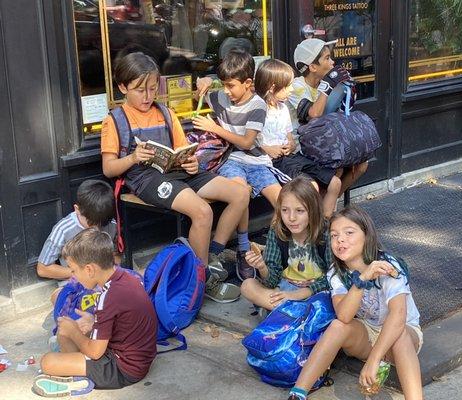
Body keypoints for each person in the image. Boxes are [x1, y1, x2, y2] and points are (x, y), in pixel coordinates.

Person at [101, 52, 246, 303]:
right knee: (202, 212)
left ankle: (212, 254)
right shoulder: (114, 120)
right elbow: (109, 168)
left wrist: (192, 162)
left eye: (152, 88)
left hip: (176, 171)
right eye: (139, 90)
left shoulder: (166, 113)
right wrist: (134, 158)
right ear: (122, 87)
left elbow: (182, 149)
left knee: (240, 192)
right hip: (144, 177)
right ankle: (199, 280)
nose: (148, 96)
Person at [287, 205, 423, 400]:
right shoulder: (336, 272)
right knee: (337, 326)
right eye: (334, 235)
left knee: (400, 335)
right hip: (366, 334)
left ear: (367, 236)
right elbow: (344, 316)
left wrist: (374, 360)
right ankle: (298, 393)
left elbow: (399, 317)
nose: (340, 239)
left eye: (349, 232)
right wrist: (362, 280)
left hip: (401, 337)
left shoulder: (388, 265)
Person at [34, 229, 157, 397]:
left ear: (89, 270)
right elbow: (121, 319)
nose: (73, 276)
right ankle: (76, 365)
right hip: (138, 357)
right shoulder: (124, 278)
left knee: (48, 362)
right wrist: (92, 321)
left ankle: (79, 381)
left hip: (123, 368)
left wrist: (75, 332)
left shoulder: (108, 296)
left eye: (73, 270)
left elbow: (95, 352)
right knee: (64, 334)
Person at [193, 49, 282, 281]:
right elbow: (197, 95)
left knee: (282, 201)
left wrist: (215, 128)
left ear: (248, 83)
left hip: (256, 160)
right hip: (231, 160)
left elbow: (246, 142)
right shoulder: (222, 96)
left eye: (231, 85)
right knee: (240, 191)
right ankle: (240, 249)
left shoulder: (258, 105)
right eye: (223, 85)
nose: (226, 91)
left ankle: (271, 250)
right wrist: (203, 82)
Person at [286, 38, 368, 213]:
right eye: (327, 58)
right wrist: (328, 85)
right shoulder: (295, 87)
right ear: (312, 67)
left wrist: (346, 90)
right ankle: (323, 212)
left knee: (362, 164)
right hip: (301, 145)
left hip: (326, 141)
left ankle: (325, 206)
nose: (332, 63)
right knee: (335, 168)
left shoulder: (327, 84)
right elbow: (314, 115)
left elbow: (338, 116)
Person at [254, 58, 342, 218]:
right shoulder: (256, 109)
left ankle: (324, 227)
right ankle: (311, 232)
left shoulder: (282, 108)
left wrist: (290, 144)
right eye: (287, 86)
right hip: (272, 162)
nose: (291, 89)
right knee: (311, 187)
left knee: (335, 183)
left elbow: (290, 138)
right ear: (273, 87)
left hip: (291, 157)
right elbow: (247, 140)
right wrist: (267, 149)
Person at [240, 176, 332, 310]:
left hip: (317, 290)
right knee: (247, 286)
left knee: (332, 299)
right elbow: (271, 281)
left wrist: (300, 294)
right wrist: (262, 267)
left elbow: (336, 276)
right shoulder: (277, 231)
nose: (291, 218)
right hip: (285, 287)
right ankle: (295, 313)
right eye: (285, 210)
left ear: (313, 210)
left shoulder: (326, 232)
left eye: (299, 211)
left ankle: (285, 312)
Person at [37, 179, 118, 305]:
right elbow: (43, 268)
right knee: (61, 299)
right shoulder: (63, 229)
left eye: (101, 224)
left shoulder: (111, 224)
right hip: (75, 283)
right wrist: (80, 273)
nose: (96, 229)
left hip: (104, 281)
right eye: (91, 224)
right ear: (77, 209)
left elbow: (115, 257)